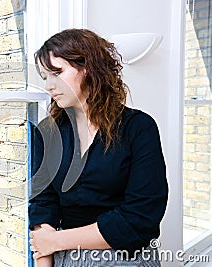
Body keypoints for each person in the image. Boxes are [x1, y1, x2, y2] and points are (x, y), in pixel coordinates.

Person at [28, 28, 168, 266]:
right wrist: (47, 256)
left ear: (89, 68)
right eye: (45, 77)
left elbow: (141, 217)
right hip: (65, 258)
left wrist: (58, 240)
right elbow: (43, 204)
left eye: (57, 72)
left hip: (127, 257)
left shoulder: (139, 128)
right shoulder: (47, 132)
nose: (49, 86)